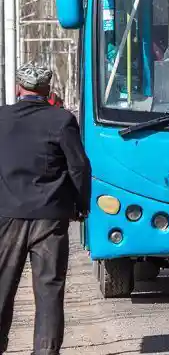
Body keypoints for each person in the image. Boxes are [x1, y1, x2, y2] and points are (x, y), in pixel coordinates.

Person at [0, 63, 92, 355]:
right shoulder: (62, 120)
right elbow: (78, 166)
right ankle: (46, 351)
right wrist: (81, 205)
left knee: (2, 286)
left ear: (18, 88)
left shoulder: (1, 119)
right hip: (50, 217)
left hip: (7, 216)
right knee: (49, 290)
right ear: (47, 90)